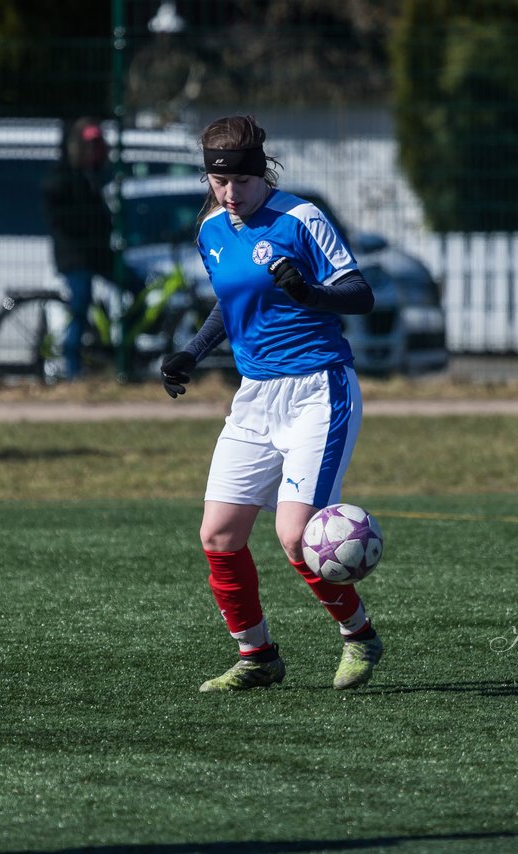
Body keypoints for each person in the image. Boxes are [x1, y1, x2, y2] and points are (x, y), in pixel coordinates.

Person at [159, 115, 381, 692]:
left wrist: (311, 294)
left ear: (262, 171)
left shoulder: (301, 219)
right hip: (255, 396)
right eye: (217, 181)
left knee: (294, 535)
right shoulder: (211, 230)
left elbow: (360, 293)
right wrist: (192, 351)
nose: (230, 194)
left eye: (240, 182)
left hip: (318, 389)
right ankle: (257, 657)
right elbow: (230, 304)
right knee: (219, 534)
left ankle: (358, 636)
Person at [41, 117, 117, 381]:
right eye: (90, 145)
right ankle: (72, 367)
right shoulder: (62, 177)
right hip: (75, 256)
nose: (95, 151)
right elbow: (64, 216)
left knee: (133, 283)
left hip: (96, 252)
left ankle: (123, 356)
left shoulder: (92, 175)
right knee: (80, 304)